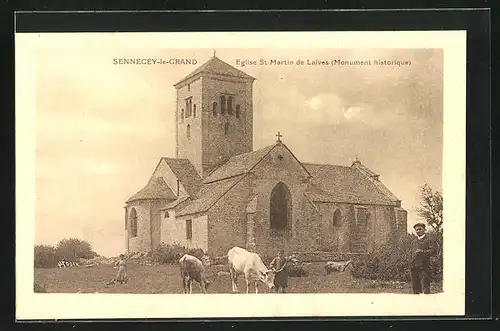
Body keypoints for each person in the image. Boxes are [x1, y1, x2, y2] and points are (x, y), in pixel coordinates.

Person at [410, 223, 435, 294]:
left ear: (424, 229)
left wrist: (423, 252)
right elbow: (410, 252)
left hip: (424, 267)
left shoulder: (429, 239)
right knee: (415, 288)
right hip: (414, 267)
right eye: (416, 230)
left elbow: (433, 251)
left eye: (420, 229)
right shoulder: (413, 241)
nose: (418, 231)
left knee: (425, 287)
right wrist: (410, 261)